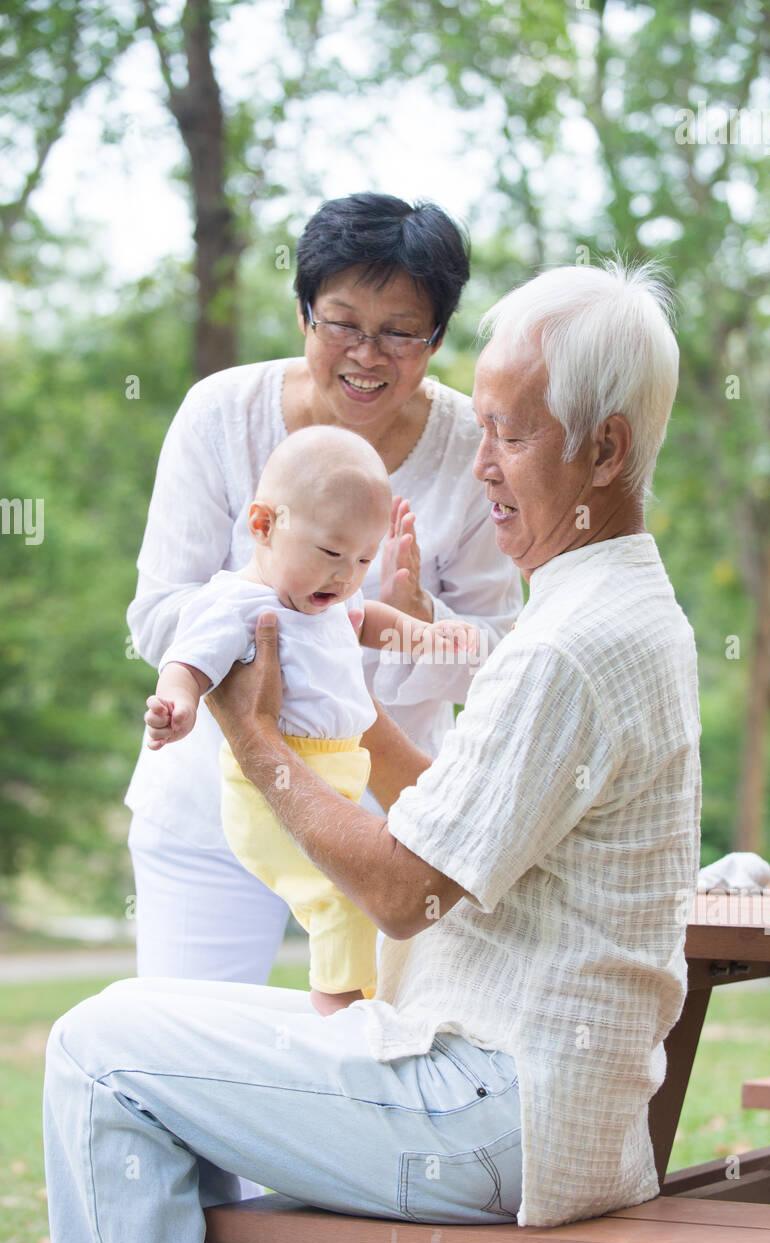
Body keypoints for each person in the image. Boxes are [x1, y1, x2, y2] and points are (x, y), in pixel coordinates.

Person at [43, 258, 703, 1243]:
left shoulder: (566, 646)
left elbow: (403, 893)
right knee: (145, 1026)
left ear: (606, 447)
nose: (478, 465)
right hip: (524, 1094)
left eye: (510, 433)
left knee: (96, 1047)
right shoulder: (614, 611)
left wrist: (254, 734)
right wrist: (337, 690)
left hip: (490, 1113)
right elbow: (449, 814)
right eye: (479, 427)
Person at [125, 192, 523, 986]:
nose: (367, 355)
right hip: (212, 799)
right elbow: (156, 613)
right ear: (304, 313)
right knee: (186, 1045)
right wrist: (259, 632)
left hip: (386, 818)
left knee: (371, 1044)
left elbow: (500, 654)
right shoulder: (220, 415)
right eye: (342, 322)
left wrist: (418, 625)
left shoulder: (474, 453)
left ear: (436, 337)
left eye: (400, 332)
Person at [145, 426, 478, 1015]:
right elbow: (187, 659)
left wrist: (423, 635)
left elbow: (365, 618)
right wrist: (180, 703)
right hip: (267, 791)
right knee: (343, 897)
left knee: (369, 893)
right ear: (264, 526)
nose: (345, 576)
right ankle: (339, 1019)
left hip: (337, 774)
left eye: (363, 559)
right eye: (330, 553)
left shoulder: (328, 594)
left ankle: (366, 998)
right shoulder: (241, 604)